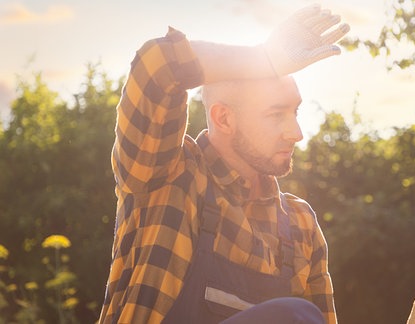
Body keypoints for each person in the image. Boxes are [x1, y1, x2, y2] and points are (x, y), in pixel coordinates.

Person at [98, 5, 350, 324]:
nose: (296, 133)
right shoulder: (168, 176)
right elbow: (157, 65)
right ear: (223, 117)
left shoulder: (301, 225)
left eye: (296, 112)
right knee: (292, 315)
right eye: (276, 114)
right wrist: (265, 59)